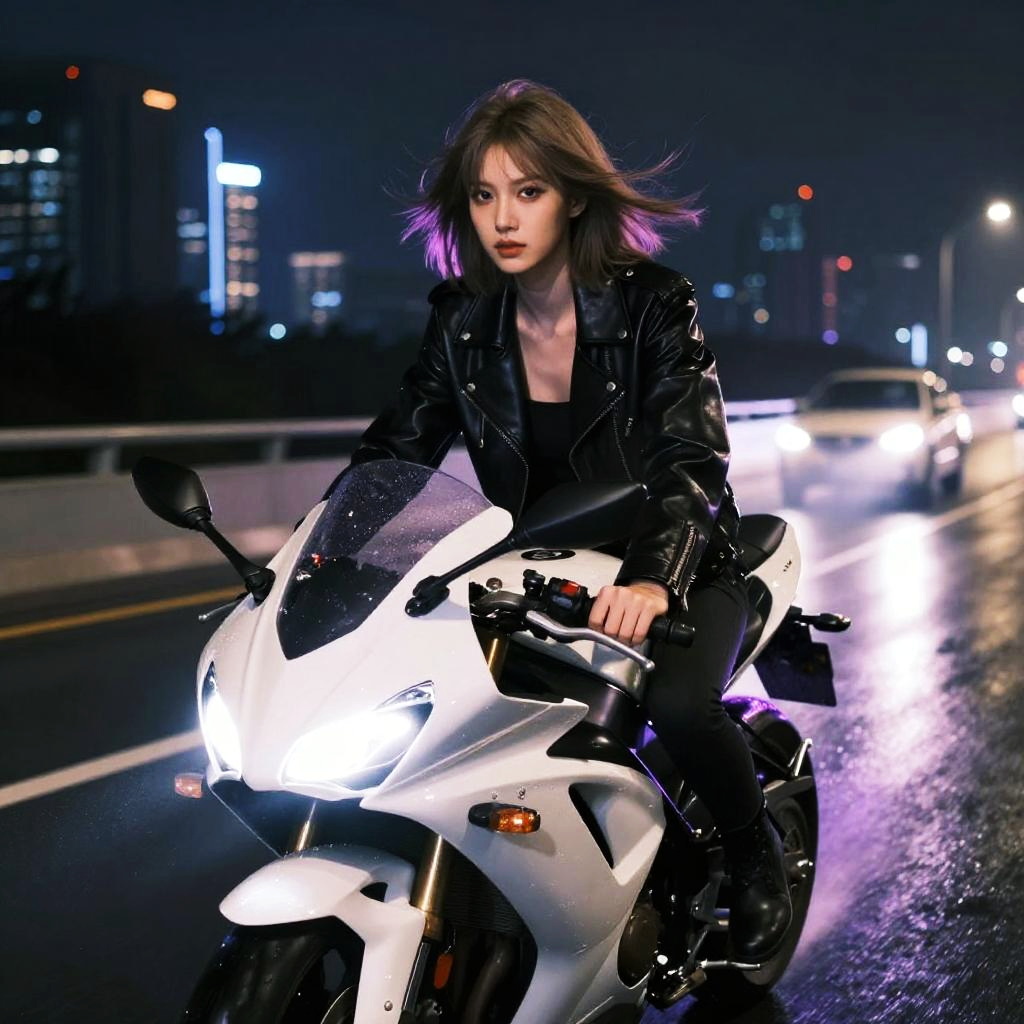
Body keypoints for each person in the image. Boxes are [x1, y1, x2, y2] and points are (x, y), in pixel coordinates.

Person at [338, 79, 791, 961]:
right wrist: (319, 559)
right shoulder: (464, 319)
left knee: (681, 701)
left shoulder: (655, 302)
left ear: (572, 197)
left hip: (678, 560)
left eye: (528, 191)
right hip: (536, 570)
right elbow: (395, 455)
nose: (503, 218)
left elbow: (690, 460)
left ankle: (751, 855)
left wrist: (656, 575)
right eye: (483, 195)